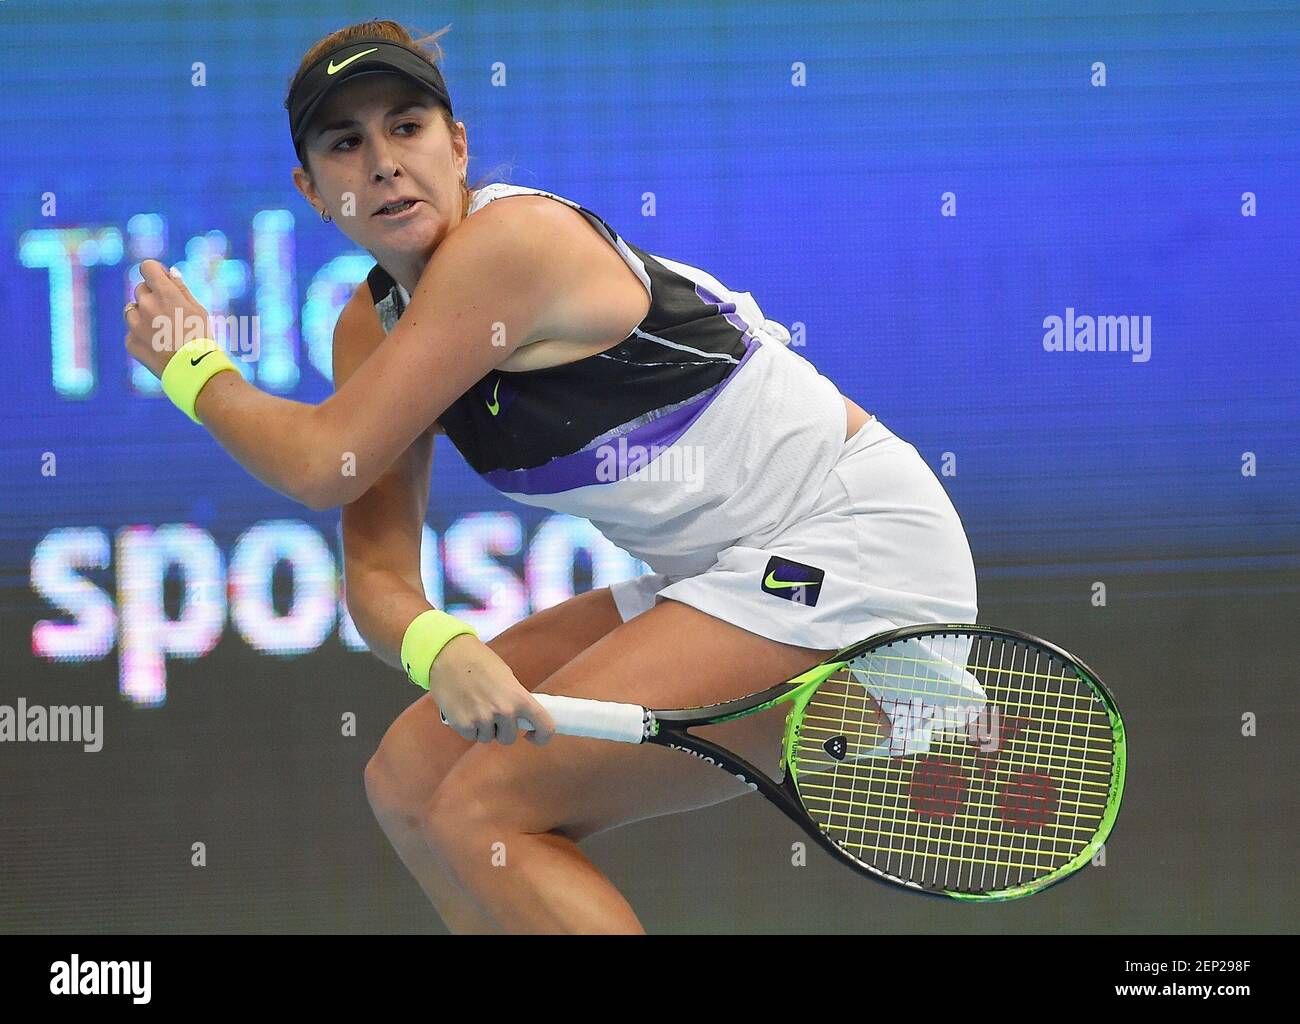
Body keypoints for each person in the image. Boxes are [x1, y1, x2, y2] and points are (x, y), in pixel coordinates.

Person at [123, 19, 978, 934]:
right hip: (720, 573)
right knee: (409, 785)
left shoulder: (514, 242)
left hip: (850, 553)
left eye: (406, 127)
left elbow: (323, 464)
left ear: (458, 146)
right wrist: (441, 651)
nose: (381, 163)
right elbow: (376, 583)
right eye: (345, 143)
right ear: (311, 188)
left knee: (484, 810)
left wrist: (193, 371)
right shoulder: (366, 328)